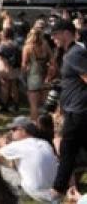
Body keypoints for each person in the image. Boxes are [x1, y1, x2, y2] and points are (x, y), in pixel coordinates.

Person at [49, 19, 87, 200]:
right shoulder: (72, 52)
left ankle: (57, 189)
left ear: (66, 33)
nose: (53, 38)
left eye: (55, 34)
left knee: (67, 148)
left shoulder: (74, 54)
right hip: (76, 109)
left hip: (77, 110)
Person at [0, 116, 58, 202]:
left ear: (23, 130)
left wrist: (2, 144)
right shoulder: (44, 143)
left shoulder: (19, 145)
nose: (11, 132)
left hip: (32, 193)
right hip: (52, 191)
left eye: (14, 129)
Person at [22, 28, 51, 121]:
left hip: (33, 77)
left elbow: (24, 65)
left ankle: (34, 126)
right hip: (45, 76)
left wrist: (23, 77)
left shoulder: (28, 47)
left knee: (34, 105)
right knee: (45, 104)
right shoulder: (45, 45)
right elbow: (53, 61)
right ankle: (45, 125)